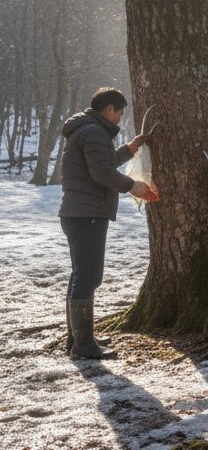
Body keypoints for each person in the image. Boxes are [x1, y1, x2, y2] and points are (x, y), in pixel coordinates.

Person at [59, 88, 152, 359]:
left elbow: (101, 161)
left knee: (80, 275)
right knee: (88, 276)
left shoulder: (86, 130)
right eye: (119, 112)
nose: (119, 118)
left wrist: (129, 150)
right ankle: (84, 345)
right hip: (87, 214)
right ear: (109, 109)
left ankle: (76, 340)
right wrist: (132, 185)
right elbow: (101, 172)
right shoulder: (94, 133)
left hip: (79, 212)